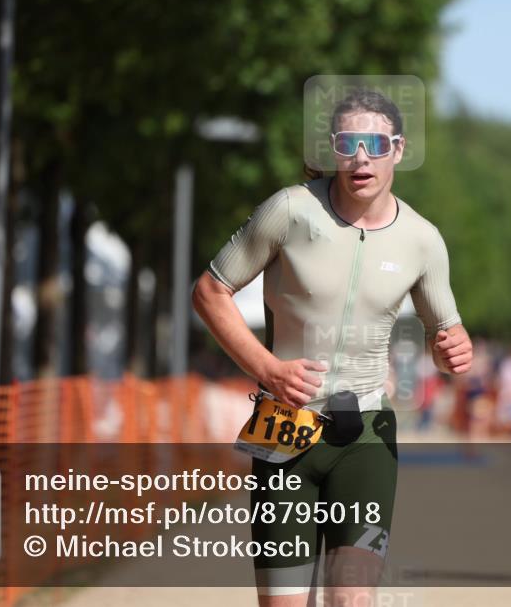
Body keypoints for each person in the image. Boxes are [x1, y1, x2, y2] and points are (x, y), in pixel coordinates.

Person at [192, 88, 472, 606]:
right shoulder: (290, 211)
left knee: (353, 599)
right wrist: (269, 369)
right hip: (286, 430)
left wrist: (453, 349)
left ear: (399, 149)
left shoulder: (422, 240)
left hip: (365, 436)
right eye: (348, 143)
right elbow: (210, 292)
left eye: (374, 143)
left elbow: (446, 333)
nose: (361, 157)